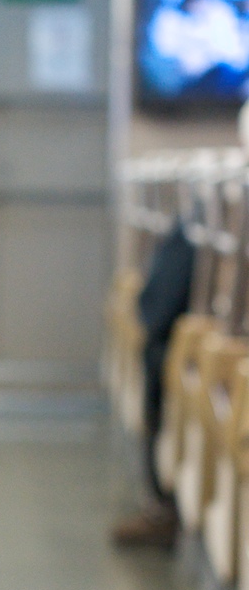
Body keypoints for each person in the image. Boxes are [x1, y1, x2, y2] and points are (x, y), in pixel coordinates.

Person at [111, 218, 195, 548]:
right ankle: (160, 502)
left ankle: (160, 504)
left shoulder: (197, 224)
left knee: (156, 352)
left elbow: (155, 309)